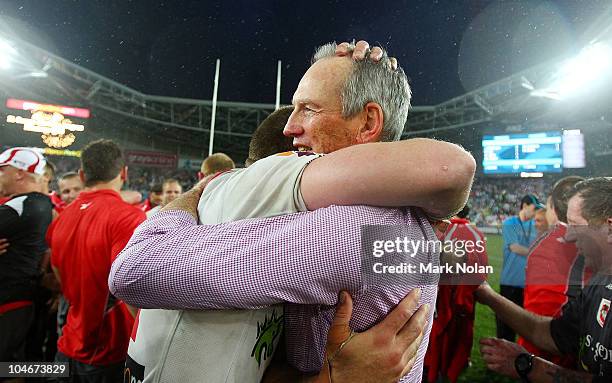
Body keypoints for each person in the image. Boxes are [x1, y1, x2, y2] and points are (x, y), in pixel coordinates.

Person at [112, 40, 476, 382]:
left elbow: (134, 271)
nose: (289, 126)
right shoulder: (408, 219)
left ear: (368, 122)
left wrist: (194, 196)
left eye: (309, 109)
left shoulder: (348, 231)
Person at [476, 177, 612, 382]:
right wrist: (487, 294)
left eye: (575, 225)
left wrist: (530, 367)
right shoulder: (599, 282)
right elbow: (551, 333)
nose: (570, 236)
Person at [48, 139, 146, 382]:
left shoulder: (61, 218)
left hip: (67, 346)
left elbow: (59, 277)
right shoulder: (128, 218)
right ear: (124, 173)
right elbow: (129, 287)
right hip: (107, 352)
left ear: (82, 175)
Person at [518, 176, 589, 368]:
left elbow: (543, 316)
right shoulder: (593, 238)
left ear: (554, 208)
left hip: (556, 357)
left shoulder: (553, 242)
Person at [423, 205, 488, 383]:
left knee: (436, 339)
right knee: (462, 336)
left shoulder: (441, 229)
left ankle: (434, 369)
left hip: (441, 301)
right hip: (466, 300)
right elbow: (482, 273)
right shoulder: (476, 233)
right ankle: (456, 366)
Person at [0, 147, 53, 364]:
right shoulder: (43, 205)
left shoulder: (21, 205)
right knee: (21, 364)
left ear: (19, 172)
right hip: (24, 296)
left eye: (2, 170)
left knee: (9, 369)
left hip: (9, 300)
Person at [498, 193, 543, 341]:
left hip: (529, 284)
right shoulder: (510, 223)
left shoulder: (535, 225)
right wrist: (537, 254)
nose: (536, 212)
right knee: (506, 325)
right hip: (510, 282)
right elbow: (515, 248)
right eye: (533, 208)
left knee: (527, 326)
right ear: (524, 206)